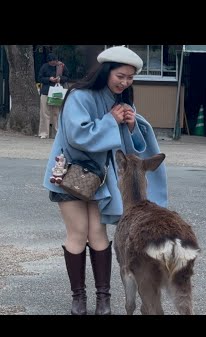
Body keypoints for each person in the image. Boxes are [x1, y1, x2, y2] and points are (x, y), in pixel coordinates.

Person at [42, 46, 168, 315]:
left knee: (98, 234)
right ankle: (79, 299)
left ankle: (104, 300)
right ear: (106, 71)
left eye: (130, 78)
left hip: (100, 179)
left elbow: (127, 150)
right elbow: (78, 136)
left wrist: (132, 125)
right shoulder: (79, 96)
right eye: (120, 76)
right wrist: (111, 120)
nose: (125, 82)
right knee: (77, 233)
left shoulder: (122, 100)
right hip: (70, 176)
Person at [38, 53, 70, 139]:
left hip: (57, 92)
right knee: (45, 113)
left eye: (55, 62)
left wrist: (60, 79)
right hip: (46, 91)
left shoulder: (61, 66)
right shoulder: (44, 67)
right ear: (49, 62)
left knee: (56, 113)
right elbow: (40, 78)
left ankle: (57, 133)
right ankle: (44, 133)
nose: (54, 63)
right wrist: (49, 79)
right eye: (52, 62)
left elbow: (67, 77)